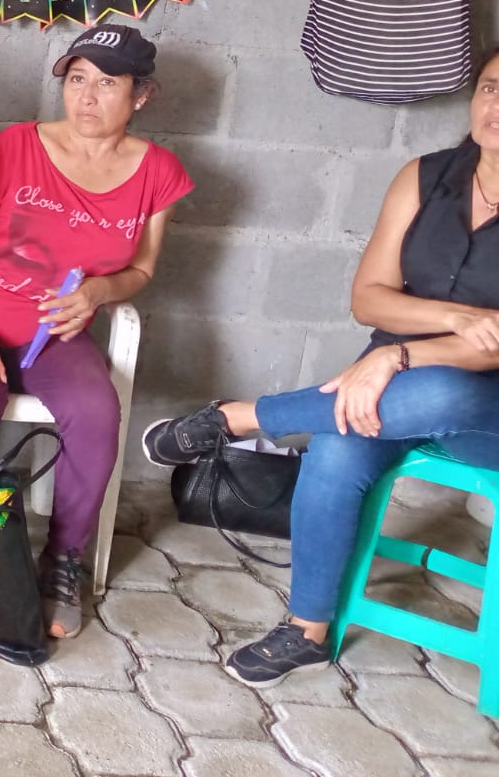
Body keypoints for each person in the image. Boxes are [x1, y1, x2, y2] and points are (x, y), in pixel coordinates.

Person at [144, 47, 499, 688]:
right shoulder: (426, 177)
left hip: (483, 412)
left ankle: (239, 418)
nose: (497, 107)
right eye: (492, 88)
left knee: (446, 390)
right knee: (336, 447)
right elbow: (369, 298)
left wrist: (400, 353)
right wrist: (451, 321)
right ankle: (306, 631)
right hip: (386, 384)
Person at [0, 25, 192, 640]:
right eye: (76, 80)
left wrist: (98, 293)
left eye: (107, 83)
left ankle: (63, 559)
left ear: (140, 96)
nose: (87, 97)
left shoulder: (159, 173)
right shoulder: (16, 147)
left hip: (52, 331)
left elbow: (141, 270)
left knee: (96, 411)